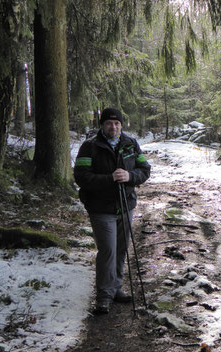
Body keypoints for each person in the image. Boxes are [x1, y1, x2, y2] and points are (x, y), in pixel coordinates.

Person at [74, 107, 151, 314]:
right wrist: (110, 179)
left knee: (121, 248)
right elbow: (81, 177)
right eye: (109, 123)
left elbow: (145, 170)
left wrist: (129, 176)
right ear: (102, 125)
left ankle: (116, 288)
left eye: (117, 123)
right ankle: (104, 296)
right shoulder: (90, 147)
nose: (113, 127)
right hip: (101, 207)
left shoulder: (130, 144)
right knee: (108, 250)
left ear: (121, 125)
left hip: (126, 205)